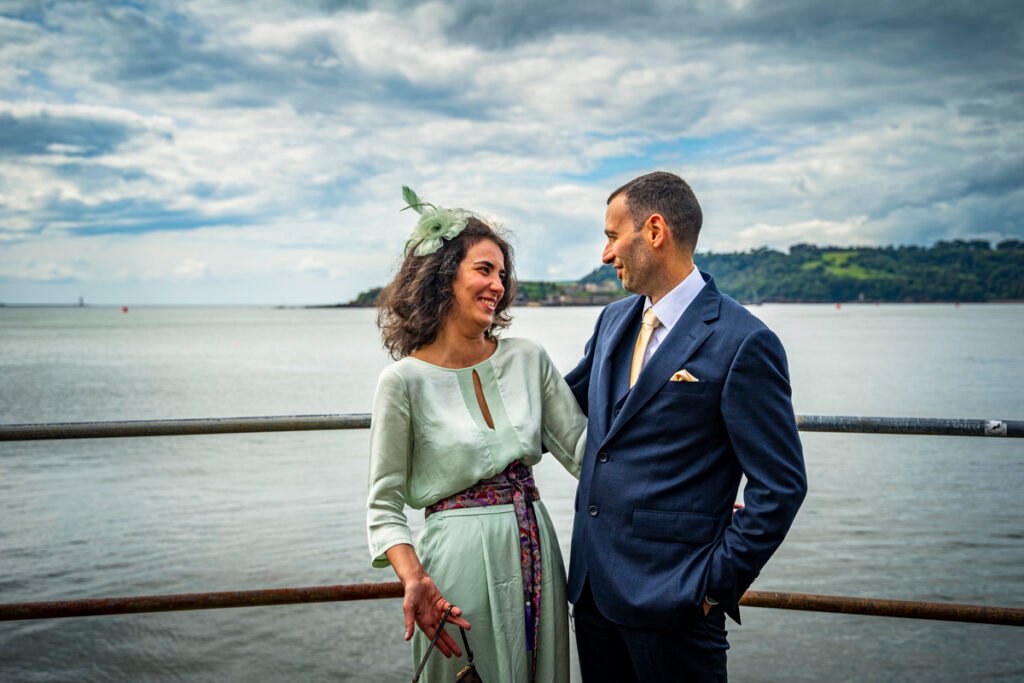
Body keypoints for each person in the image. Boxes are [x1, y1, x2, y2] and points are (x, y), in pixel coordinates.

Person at [565, 171, 808, 682]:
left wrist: (713, 586)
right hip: (592, 595)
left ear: (654, 231)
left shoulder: (744, 342)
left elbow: (780, 485)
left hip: (675, 606)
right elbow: (559, 402)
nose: (606, 254)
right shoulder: (612, 321)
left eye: (612, 236)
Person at [366, 188, 587, 682]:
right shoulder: (402, 382)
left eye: (502, 275)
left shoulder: (528, 358)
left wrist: (690, 493)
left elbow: (589, 454)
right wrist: (414, 577)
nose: (498, 285)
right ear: (444, 277)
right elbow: (383, 506)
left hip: (537, 552)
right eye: (484, 270)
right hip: (456, 565)